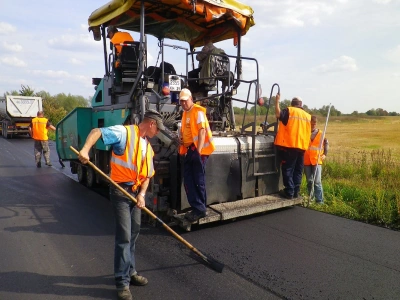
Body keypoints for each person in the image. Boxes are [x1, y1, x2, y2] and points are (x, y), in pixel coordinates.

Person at [78, 109, 165, 300]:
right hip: (120, 191)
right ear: (151, 124)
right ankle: (122, 282)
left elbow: (147, 175)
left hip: (135, 194)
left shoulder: (147, 147)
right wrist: (85, 150)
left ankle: (131, 272)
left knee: (134, 233)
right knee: (124, 237)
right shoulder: (125, 133)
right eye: (158, 128)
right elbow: (96, 132)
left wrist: (142, 194)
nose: (158, 132)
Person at [178, 88, 215, 222]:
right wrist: (182, 140)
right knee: (189, 180)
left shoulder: (197, 111)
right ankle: (197, 207)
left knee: (197, 180)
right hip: (190, 150)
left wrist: (198, 151)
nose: (183, 103)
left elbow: (202, 131)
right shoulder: (185, 113)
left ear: (191, 99)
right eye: (181, 101)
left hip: (197, 151)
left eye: (185, 101)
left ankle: (200, 209)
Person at [274, 95, 311, 199]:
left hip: (290, 146)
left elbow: (278, 114)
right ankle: (296, 192)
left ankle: (289, 192)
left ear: (292, 103)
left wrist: (277, 101)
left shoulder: (290, 111)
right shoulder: (307, 115)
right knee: (298, 170)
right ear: (301, 104)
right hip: (302, 147)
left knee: (288, 169)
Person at [304, 116, 329, 203]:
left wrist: (325, 154)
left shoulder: (321, 133)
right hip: (306, 160)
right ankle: (311, 198)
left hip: (316, 160)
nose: (313, 125)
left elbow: (326, 144)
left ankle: (320, 201)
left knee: (317, 182)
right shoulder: (305, 132)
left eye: (314, 123)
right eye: (311, 123)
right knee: (309, 181)